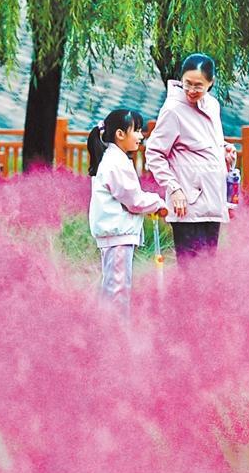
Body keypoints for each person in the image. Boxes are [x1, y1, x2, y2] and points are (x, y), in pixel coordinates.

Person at [145, 53, 237, 263]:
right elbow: (154, 152)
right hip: (187, 202)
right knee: (190, 271)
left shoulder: (212, 105)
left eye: (199, 85)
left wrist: (223, 151)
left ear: (210, 83)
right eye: (188, 83)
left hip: (213, 200)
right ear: (181, 79)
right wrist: (174, 188)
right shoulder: (172, 109)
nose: (192, 90)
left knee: (207, 270)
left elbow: (208, 143)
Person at [88, 109, 167, 308]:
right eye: (137, 130)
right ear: (120, 134)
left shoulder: (115, 159)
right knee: (118, 290)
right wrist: (157, 202)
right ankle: (115, 334)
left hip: (115, 234)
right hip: (117, 234)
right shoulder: (116, 163)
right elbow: (134, 201)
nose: (141, 136)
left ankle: (108, 332)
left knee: (113, 286)